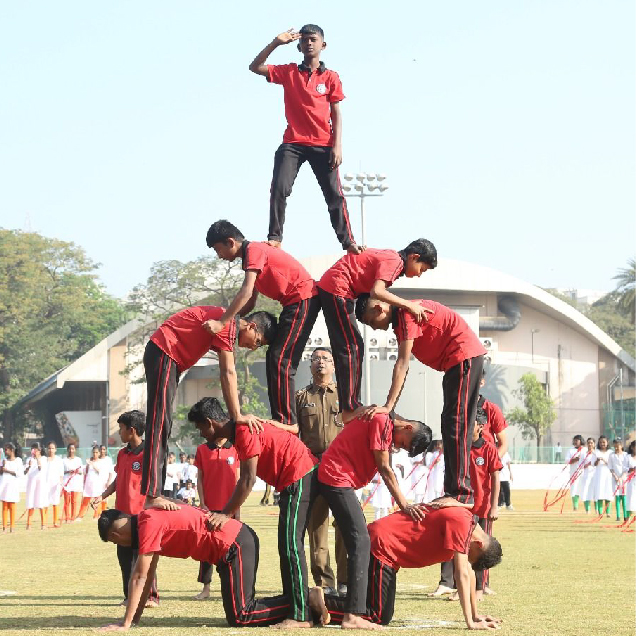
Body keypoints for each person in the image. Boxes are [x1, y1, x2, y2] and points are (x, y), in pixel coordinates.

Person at [188, 396, 319, 628]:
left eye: (200, 428)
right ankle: (300, 602)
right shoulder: (239, 430)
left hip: (299, 475)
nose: (201, 435)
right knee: (286, 547)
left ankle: (301, 615)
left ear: (210, 422)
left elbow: (247, 480)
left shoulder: (243, 431)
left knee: (291, 546)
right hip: (292, 480)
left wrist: (226, 513)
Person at [141, 304, 276, 510]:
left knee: (163, 424)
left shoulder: (227, 323)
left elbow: (249, 298)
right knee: (159, 424)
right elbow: (227, 372)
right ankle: (152, 495)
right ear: (251, 326)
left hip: (167, 356)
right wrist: (238, 415)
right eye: (257, 341)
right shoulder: (227, 325)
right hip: (165, 351)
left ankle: (156, 492)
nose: (253, 347)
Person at [356, 294, 486, 506]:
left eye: (371, 321)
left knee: (456, 423)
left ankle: (461, 493)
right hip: (456, 363)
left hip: (463, 357)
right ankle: (455, 490)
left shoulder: (406, 314)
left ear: (379, 308)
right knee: (450, 424)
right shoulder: (402, 319)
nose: (374, 328)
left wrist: (388, 406)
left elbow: (402, 363)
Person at [97, 506, 311, 630]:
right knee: (238, 613)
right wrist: (134, 619)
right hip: (232, 546)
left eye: (116, 543)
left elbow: (139, 578)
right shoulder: (148, 518)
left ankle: (307, 601)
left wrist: (125, 624)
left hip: (234, 544)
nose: (121, 546)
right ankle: (307, 602)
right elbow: (148, 576)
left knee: (242, 615)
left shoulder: (148, 524)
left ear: (115, 536)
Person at [317, 410, 431, 629]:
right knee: (361, 541)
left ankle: (338, 602)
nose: (398, 447)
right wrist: (405, 505)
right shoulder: (381, 421)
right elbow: (384, 468)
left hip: (342, 479)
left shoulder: (386, 423)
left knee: (360, 540)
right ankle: (352, 615)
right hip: (336, 476)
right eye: (403, 443)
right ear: (407, 428)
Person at [248, 25, 356, 254]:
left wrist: (337, 146)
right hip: (293, 143)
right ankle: (275, 237)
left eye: (313, 39)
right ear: (298, 46)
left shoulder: (331, 77)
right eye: (304, 40)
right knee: (279, 188)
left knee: (334, 195)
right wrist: (276, 42)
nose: (308, 43)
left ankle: (348, 243)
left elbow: (336, 113)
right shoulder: (289, 72)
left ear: (323, 45)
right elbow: (254, 67)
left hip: (323, 144)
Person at [308, 503, 503, 629]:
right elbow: (461, 574)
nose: (465, 556)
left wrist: (476, 616)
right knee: (377, 615)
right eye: (470, 555)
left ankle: (315, 602)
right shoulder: (462, 524)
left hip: (386, 550)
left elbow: (468, 572)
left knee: (376, 610)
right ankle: (316, 601)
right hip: (381, 546)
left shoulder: (467, 524)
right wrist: (470, 622)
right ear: (479, 544)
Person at [206, 220, 319, 430]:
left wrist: (222, 322)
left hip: (302, 299)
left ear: (230, 242)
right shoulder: (251, 257)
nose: (219, 256)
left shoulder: (254, 251)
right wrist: (233, 322)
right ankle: (281, 417)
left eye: (217, 249)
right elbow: (250, 302)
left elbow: (246, 292)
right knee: (274, 357)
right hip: (294, 303)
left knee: (280, 359)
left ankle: (287, 422)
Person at [318, 241, 437, 420]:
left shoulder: (390, 256)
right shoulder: (396, 261)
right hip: (337, 288)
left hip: (335, 286)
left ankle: (350, 404)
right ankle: (349, 407)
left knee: (350, 345)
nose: (420, 274)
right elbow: (377, 292)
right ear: (414, 257)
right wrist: (409, 305)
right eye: (422, 269)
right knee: (351, 346)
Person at [92, 411, 159, 607]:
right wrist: (102, 496)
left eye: (121, 428)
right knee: (125, 559)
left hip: (141, 515)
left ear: (132, 430)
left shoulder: (148, 454)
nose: (119, 432)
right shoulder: (122, 453)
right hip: (121, 516)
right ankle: (129, 597)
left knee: (144, 557)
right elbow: (118, 479)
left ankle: (151, 596)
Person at [296, 346, 347, 596]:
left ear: (333, 366)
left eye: (326, 358)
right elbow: (294, 434)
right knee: (317, 529)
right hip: (313, 467)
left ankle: (346, 581)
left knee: (345, 524)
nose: (320, 362)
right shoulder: (301, 397)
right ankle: (325, 583)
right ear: (310, 365)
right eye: (315, 358)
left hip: (340, 468)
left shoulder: (345, 396)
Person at [435, 409, 502, 599]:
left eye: (470, 424)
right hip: (461, 506)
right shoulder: (460, 448)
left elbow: (495, 478)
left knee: (480, 547)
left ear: (480, 427)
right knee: (456, 545)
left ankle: (479, 587)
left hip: (482, 507)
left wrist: (494, 506)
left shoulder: (488, 449)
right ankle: (452, 584)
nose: (466, 427)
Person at [193, 428, 239, 600]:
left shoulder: (236, 449)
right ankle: (206, 587)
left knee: (231, 548)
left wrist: (236, 506)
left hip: (230, 508)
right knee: (206, 549)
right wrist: (202, 502)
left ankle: (231, 587)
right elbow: (200, 478)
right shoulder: (202, 450)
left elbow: (239, 479)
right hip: (209, 507)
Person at [478, 369, 509, 459]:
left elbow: (503, 444)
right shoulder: (456, 410)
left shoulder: (492, 409)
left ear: (482, 382)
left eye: (473, 378)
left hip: (485, 465)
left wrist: (492, 463)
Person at [24, 443, 49, 530]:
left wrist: (38, 459)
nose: (34, 451)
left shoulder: (44, 459)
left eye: (36, 449)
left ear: (40, 450)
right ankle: (29, 524)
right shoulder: (29, 459)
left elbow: (40, 469)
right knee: (31, 502)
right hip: (31, 484)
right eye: (33, 449)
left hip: (40, 484)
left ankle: (43, 524)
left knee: (41, 502)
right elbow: (25, 472)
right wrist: (29, 466)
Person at [0, 443, 24, 533]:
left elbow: (19, 474)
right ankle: (4, 527)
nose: (5, 451)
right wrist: (2, 466)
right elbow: (1, 473)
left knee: (12, 506)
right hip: (4, 486)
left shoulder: (18, 460)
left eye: (6, 449)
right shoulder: (3, 460)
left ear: (12, 450)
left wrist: (8, 470)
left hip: (13, 485)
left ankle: (12, 527)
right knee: (5, 506)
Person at [77, 446, 104, 520]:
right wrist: (88, 465)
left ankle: (97, 515)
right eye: (94, 452)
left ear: (99, 453)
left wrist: (93, 464)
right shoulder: (89, 461)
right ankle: (80, 516)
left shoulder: (101, 462)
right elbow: (85, 472)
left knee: (97, 500)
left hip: (97, 483)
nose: (95, 454)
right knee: (85, 499)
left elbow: (100, 471)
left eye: (96, 452)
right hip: (89, 483)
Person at [62, 443, 83, 522]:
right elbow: (61, 471)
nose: (71, 450)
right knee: (67, 501)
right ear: (67, 450)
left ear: (75, 450)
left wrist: (76, 471)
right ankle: (67, 518)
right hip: (66, 482)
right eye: (70, 449)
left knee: (74, 501)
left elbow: (81, 471)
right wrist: (68, 471)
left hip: (75, 482)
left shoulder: (78, 460)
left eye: (73, 449)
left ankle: (73, 517)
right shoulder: (64, 460)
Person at [45, 441, 64, 528]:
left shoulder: (59, 460)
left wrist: (60, 484)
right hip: (46, 484)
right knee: (45, 503)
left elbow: (61, 473)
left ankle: (55, 521)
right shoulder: (44, 459)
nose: (51, 450)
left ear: (55, 449)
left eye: (52, 448)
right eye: (49, 448)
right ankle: (44, 522)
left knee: (55, 502)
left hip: (55, 484)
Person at [593, 435, 613, 517]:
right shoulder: (596, 451)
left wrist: (604, 460)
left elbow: (612, 464)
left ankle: (608, 512)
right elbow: (594, 464)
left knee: (608, 493)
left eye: (604, 442)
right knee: (600, 493)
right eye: (600, 442)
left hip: (608, 475)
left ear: (607, 442)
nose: (602, 444)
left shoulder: (611, 452)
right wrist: (597, 460)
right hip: (599, 475)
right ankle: (600, 512)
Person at [565, 435, 586, 511]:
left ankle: (587, 507)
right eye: (574, 440)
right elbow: (567, 461)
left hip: (584, 473)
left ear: (581, 441)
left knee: (584, 489)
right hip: (574, 473)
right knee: (574, 489)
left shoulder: (585, 450)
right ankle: (575, 506)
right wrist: (575, 459)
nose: (575, 442)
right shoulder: (570, 450)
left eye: (577, 440)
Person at [609, 438, 627, 522]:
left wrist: (621, 477)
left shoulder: (626, 455)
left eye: (618, 446)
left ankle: (625, 516)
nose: (616, 448)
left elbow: (627, 468)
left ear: (621, 445)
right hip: (615, 479)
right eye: (615, 446)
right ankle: (618, 516)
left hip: (624, 478)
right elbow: (611, 467)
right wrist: (616, 477)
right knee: (617, 496)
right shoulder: (612, 455)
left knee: (624, 496)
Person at [580, 438, 597, 514]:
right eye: (589, 443)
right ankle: (587, 509)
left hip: (595, 475)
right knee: (586, 492)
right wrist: (586, 465)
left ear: (594, 444)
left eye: (591, 443)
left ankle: (597, 509)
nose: (590, 444)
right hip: (586, 475)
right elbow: (580, 465)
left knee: (595, 492)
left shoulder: (597, 453)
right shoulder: (584, 454)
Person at [99, 445, 116, 514]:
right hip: (98, 481)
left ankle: (103, 511)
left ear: (106, 450)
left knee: (105, 497)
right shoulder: (97, 459)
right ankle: (97, 512)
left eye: (104, 449)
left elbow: (111, 471)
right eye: (101, 449)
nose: (102, 451)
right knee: (98, 496)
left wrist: (109, 481)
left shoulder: (108, 459)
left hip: (105, 480)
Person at [625, 440, 636, 520]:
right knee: (630, 497)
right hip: (631, 480)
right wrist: (631, 469)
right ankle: (628, 516)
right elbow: (624, 467)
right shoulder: (628, 457)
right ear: (632, 447)